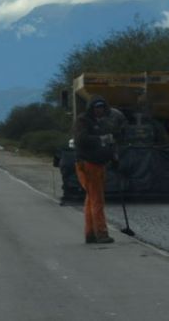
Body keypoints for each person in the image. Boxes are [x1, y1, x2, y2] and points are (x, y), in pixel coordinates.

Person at [73, 95, 118, 244]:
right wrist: (101, 139)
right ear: (91, 108)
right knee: (97, 200)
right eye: (97, 107)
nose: (100, 110)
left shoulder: (102, 122)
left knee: (91, 199)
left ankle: (90, 233)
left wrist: (113, 156)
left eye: (102, 107)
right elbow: (81, 140)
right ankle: (101, 233)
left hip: (98, 164)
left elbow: (109, 142)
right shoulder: (83, 121)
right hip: (88, 164)